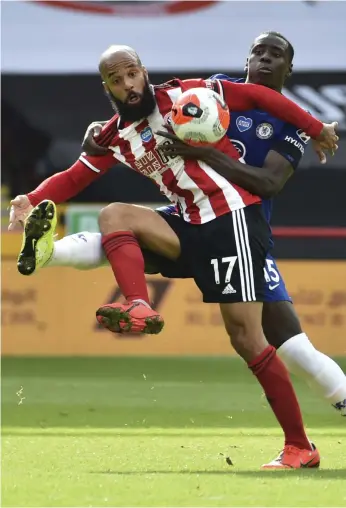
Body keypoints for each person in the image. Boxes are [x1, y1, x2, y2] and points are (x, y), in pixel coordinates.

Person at [9, 44, 338, 469]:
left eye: (132, 74)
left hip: (231, 219)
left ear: (144, 73)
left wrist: (314, 126)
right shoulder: (112, 136)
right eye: (117, 79)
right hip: (186, 222)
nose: (128, 85)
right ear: (106, 86)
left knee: (247, 338)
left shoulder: (187, 96)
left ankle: (299, 447)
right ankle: (138, 302)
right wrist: (30, 199)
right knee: (116, 216)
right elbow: (74, 177)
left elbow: (258, 96)